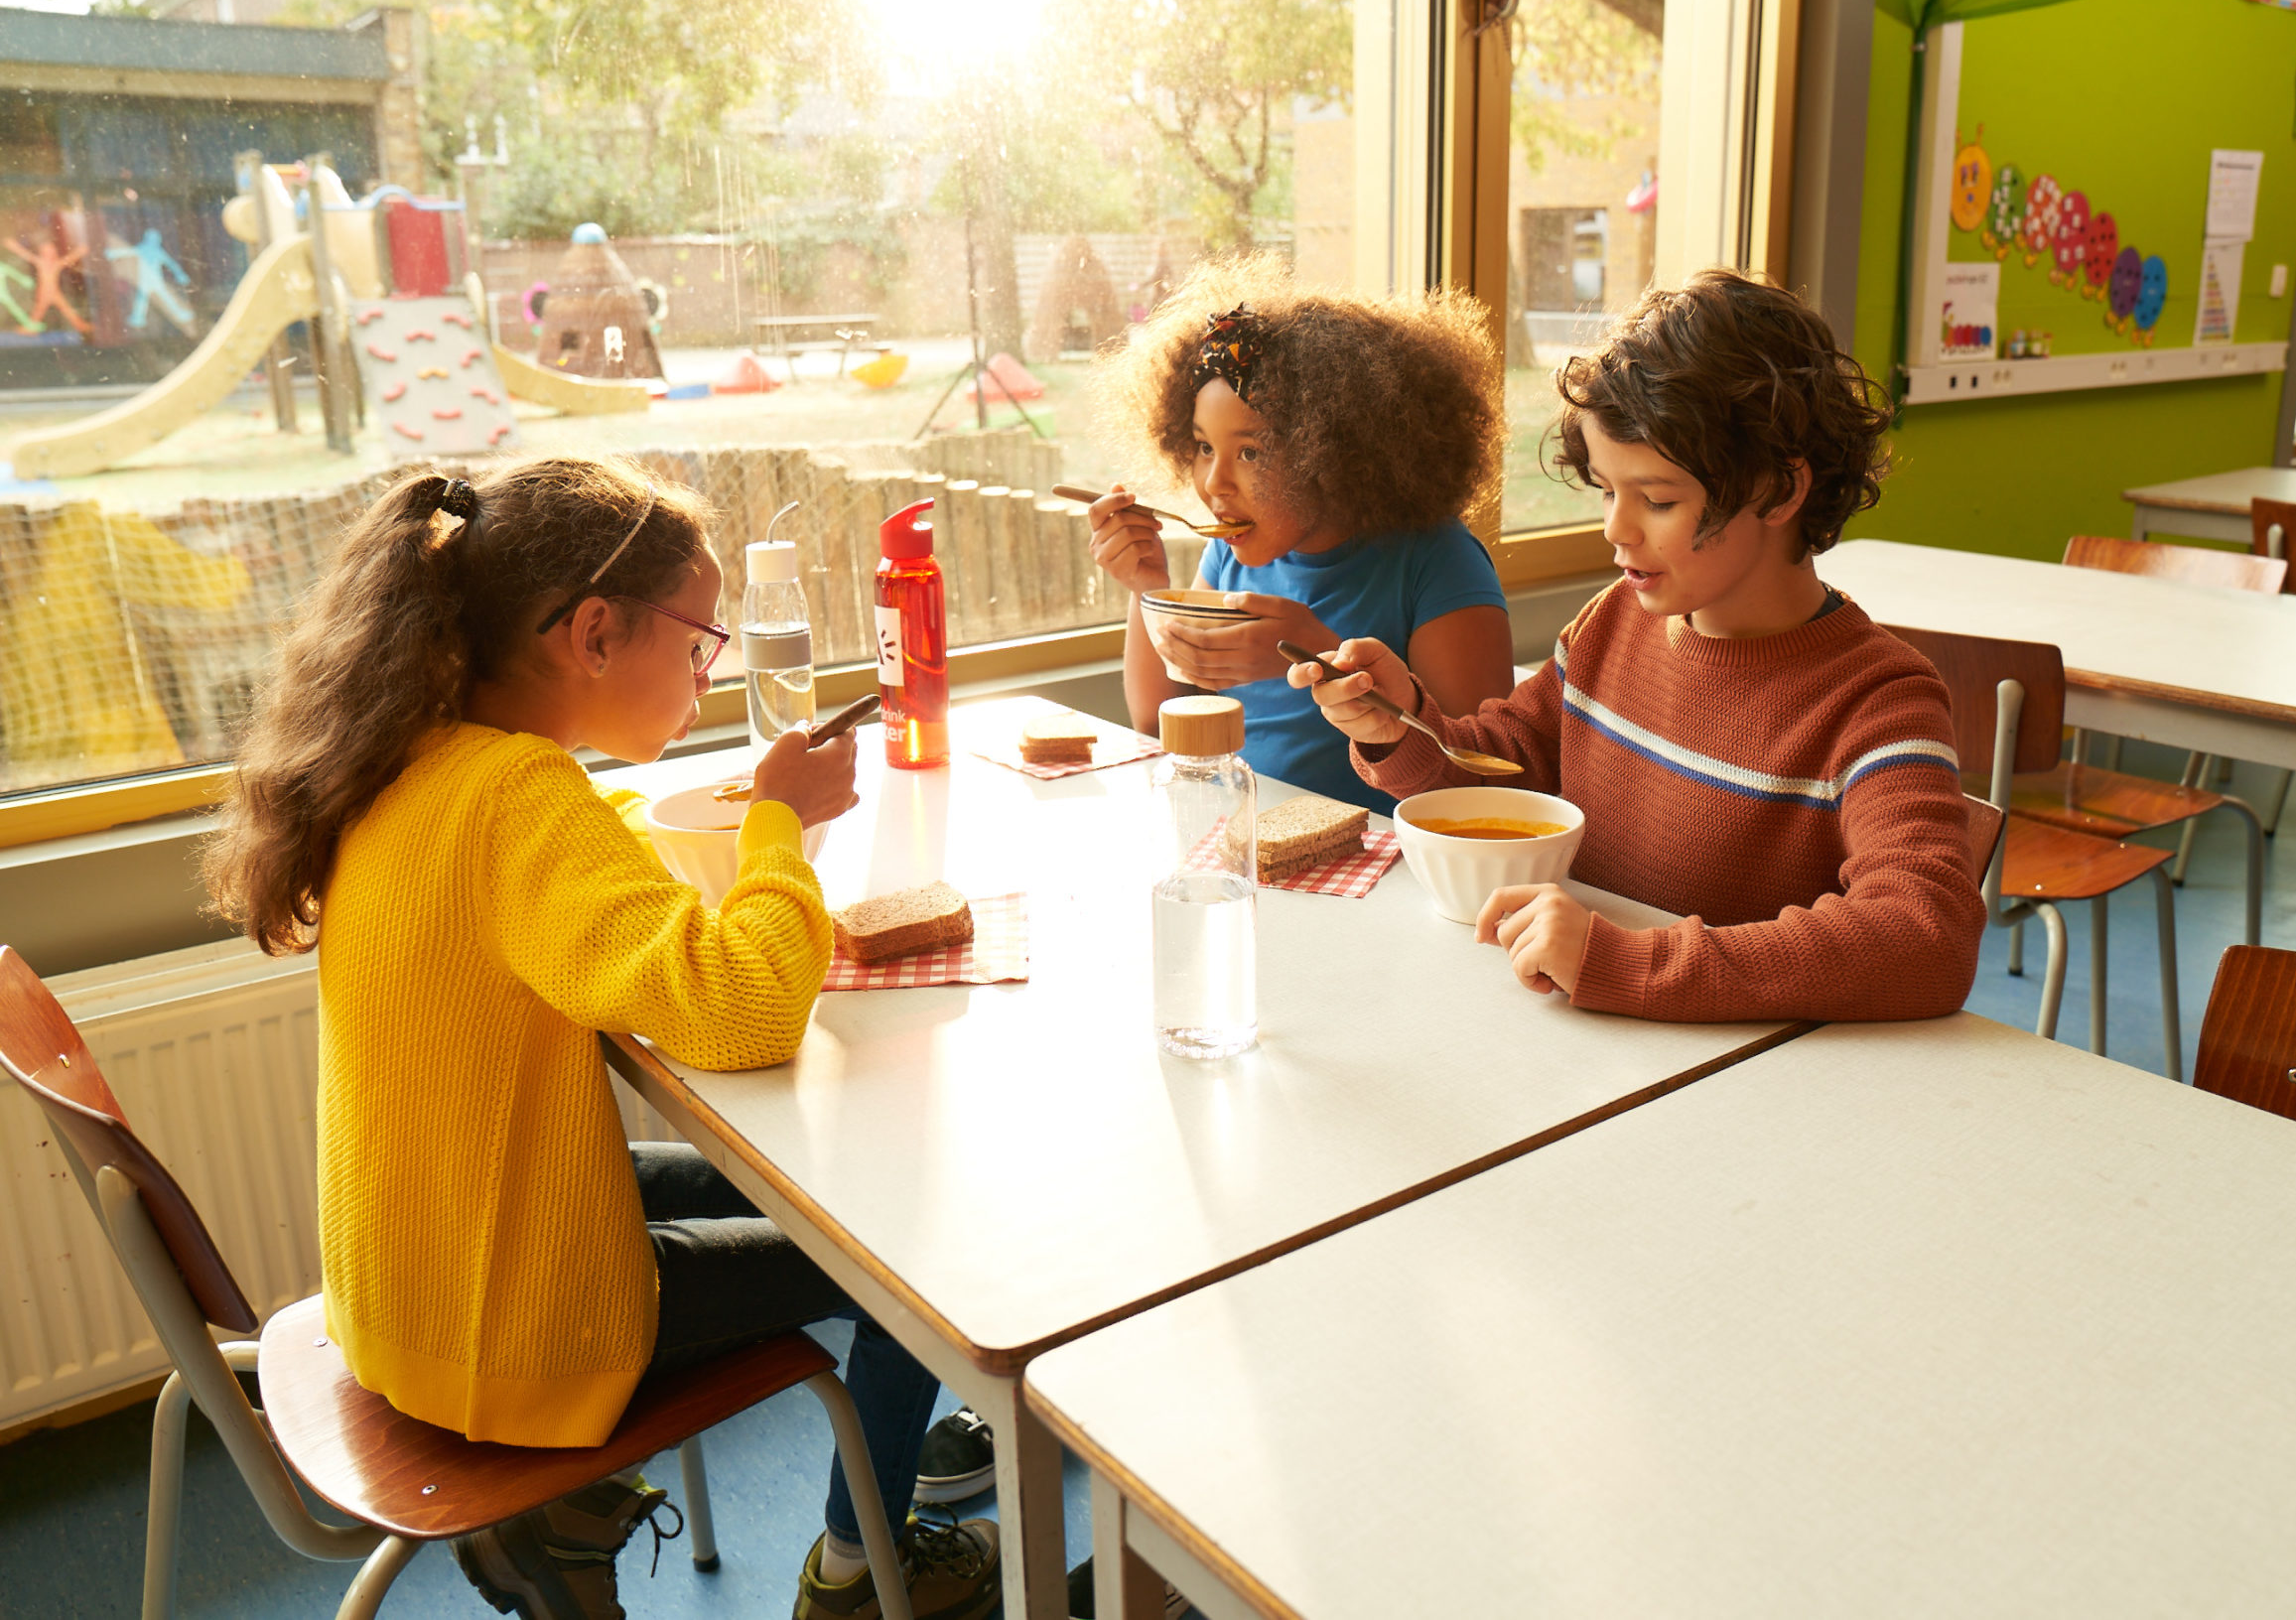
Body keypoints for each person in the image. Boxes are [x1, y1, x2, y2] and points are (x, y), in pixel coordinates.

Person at [201, 457, 998, 1620]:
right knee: (917, 1271)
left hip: (405, 1286)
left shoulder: (414, 756)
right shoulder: (521, 798)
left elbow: (558, 884)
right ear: (591, 634)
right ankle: (860, 1577)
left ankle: (569, 1520)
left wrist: (692, 820)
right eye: (696, 646)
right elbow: (741, 1012)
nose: (704, 673)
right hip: (516, 1324)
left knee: (806, 1204)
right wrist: (778, 827)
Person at [1290, 269, 1986, 1021]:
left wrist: (1621, 959)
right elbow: (1505, 762)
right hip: (1586, 1041)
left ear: (1781, 492)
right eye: (1604, 490)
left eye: (1656, 500)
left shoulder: (1878, 701)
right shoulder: (1612, 621)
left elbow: (1928, 934)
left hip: (1735, 1083)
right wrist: (1403, 727)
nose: (1615, 531)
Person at [1082, 251, 1516, 814]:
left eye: (1251, 452)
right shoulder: (1226, 554)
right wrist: (1149, 589)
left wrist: (1314, 652)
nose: (1215, 482)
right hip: (1252, 842)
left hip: (1385, 872)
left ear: (1335, 453)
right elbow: (1160, 724)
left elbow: (1480, 780)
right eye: (1204, 446)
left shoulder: (1438, 561)